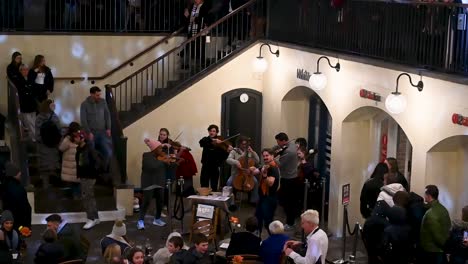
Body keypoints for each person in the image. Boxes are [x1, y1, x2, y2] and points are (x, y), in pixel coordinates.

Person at [138, 138, 176, 230]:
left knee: (160, 201)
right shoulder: (146, 155)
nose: (161, 150)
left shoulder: (162, 157)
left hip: (159, 181)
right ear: (154, 149)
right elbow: (151, 166)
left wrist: (173, 161)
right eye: (159, 148)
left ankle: (157, 219)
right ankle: (140, 221)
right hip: (149, 182)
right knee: (146, 202)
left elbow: (169, 168)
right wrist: (163, 161)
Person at [80, 86, 112, 172]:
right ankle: (95, 170)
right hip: (91, 133)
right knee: (91, 153)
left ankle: (103, 169)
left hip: (102, 132)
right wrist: (88, 132)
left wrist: (108, 128)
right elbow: (83, 120)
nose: (99, 97)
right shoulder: (84, 104)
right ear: (92, 94)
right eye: (97, 95)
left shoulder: (103, 102)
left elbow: (107, 115)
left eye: (99, 95)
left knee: (108, 152)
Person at [76, 130, 103, 230]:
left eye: (77, 137)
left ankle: (91, 218)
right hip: (84, 176)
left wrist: (92, 173)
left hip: (89, 177)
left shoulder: (89, 149)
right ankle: (95, 217)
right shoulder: (79, 149)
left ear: (82, 138)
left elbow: (97, 162)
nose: (75, 139)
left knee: (87, 197)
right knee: (89, 197)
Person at [274, 132, 300, 231]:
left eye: (278, 142)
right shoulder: (292, 145)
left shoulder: (289, 151)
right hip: (290, 178)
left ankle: (290, 223)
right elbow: (279, 148)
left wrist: (272, 158)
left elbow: (280, 164)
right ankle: (290, 221)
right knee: (286, 200)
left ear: (284, 141)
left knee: (288, 202)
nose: (278, 144)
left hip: (289, 179)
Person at [419, 185, 451, 264]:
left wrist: (444, 246)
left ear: (428, 195)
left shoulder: (431, 213)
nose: (424, 196)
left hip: (432, 251)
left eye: (424, 194)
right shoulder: (443, 209)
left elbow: (438, 236)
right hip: (439, 250)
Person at [226, 136, 260, 203]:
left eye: (245, 144)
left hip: (249, 174)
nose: (244, 146)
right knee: (229, 183)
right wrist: (236, 161)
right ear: (239, 144)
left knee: (255, 183)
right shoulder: (234, 151)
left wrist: (253, 152)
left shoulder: (250, 151)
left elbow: (257, 161)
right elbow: (228, 160)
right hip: (236, 174)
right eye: (243, 144)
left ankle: (254, 200)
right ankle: (230, 202)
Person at [36, 99, 61, 188]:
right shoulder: (55, 117)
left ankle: (45, 186)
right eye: (52, 105)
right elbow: (59, 131)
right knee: (52, 168)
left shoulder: (39, 117)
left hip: (43, 147)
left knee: (45, 170)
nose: (54, 106)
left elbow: (38, 134)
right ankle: (51, 187)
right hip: (53, 146)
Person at [255, 148, 280, 235]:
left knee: (268, 222)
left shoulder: (273, 168)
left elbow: (270, 183)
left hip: (269, 198)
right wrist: (251, 169)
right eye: (264, 156)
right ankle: (257, 239)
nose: (265, 157)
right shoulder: (266, 166)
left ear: (272, 156)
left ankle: (273, 241)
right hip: (262, 197)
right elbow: (256, 171)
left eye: (267, 155)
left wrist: (265, 176)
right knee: (258, 218)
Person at [199, 124, 231, 191]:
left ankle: (213, 200)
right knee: (204, 185)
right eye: (210, 131)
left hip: (215, 167)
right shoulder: (205, 139)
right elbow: (201, 143)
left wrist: (227, 151)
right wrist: (213, 141)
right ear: (208, 131)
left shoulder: (220, 142)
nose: (212, 132)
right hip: (205, 166)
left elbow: (223, 156)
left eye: (214, 131)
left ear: (216, 132)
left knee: (214, 186)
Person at [182, 0, 212, 69]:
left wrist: (196, 18)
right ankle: (188, 62)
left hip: (201, 29)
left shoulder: (205, 6)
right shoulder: (193, 6)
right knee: (191, 44)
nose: (195, 0)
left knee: (200, 45)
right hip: (192, 28)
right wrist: (187, 14)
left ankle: (201, 62)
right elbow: (189, 17)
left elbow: (205, 17)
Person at [1, 162, 32, 230]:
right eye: (18, 172)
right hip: (19, 223)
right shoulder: (18, 188)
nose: (20, 173)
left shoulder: (4, 186)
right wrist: (27, 226)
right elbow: (25, 208)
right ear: (13, 174)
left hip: (8, 221)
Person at [59, 122, 82, 199]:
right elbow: (61, 148)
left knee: (77, 183)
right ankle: (76, 197)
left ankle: (77, 197)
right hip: (71, 166)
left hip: (77, 165)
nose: (77, 133)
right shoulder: (67, 139)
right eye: (75, 131)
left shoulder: (80, 138)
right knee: (75, 184)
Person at [16, 63, 37, 141]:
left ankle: (33, 137)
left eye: (27, 69)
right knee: (29, 123)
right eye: (24, 70)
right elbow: (22, 91)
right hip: (25, 105)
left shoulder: (30, 78)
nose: (26, 71)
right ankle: (34, 138)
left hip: (32, 103)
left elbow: (33, 89)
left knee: (34, 122)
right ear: (20, 71)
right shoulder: (18, 79)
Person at [297, 146, 321, 212]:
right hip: (299, 182)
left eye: (299, 153)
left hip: (306, 184)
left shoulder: (308, 161)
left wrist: (304, 164)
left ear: (304, 153)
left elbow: (309, 171)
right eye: (297, 153)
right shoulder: (299, 160)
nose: (298, 155)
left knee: (307, 200)